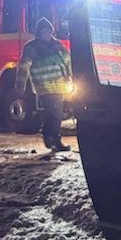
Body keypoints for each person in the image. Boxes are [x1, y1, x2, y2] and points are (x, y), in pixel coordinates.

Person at [17, 17, 72, 152]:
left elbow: (68, 62)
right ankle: (54, 140)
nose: (47, 34)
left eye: (49, 31)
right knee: (54, 114)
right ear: (39, 33)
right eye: (44, 31)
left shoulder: (58, 46)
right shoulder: (32, 48)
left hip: (60, 86)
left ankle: (50, 138)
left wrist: (71, 77)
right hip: (44, 86)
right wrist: (20, 87)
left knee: (54, 114)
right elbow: (23, 67)